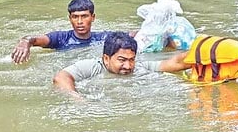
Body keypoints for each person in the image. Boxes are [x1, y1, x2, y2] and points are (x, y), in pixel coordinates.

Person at [53, 31, 190, 92]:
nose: (128, 66)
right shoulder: (93, 66)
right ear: (106, 58)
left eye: (131, 60)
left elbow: (175, 63)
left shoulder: (139, 67)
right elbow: (61, 77)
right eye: (122, 60)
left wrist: (206, 51)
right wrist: (77, 99)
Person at [11, 0, 109, 64]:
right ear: (70, 18)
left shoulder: (103, 38)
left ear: (93, 17)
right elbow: (35, 40)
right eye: (75, 17)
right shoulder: (60, 38)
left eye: (84, 16)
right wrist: (25, 41)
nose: (79, 21)